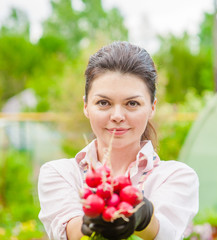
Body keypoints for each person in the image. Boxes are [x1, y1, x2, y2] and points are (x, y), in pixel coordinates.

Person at [38, 41, 199, 240]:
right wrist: (92, 221)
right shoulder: (61, 174)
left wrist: (144, 218)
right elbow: (69, 232)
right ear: (86, 106)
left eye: (132, 103)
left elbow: (168, 235)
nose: (117, 115)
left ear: (152, 107)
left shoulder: (176, 176)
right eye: (103, 103)